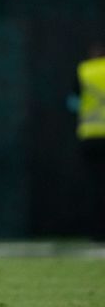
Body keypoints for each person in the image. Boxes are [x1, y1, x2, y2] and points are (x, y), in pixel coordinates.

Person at [72, 40, 105, 241]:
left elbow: (73, 102)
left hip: (90, 135)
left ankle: (96, 232)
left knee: (94, 187)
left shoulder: (84, 70)